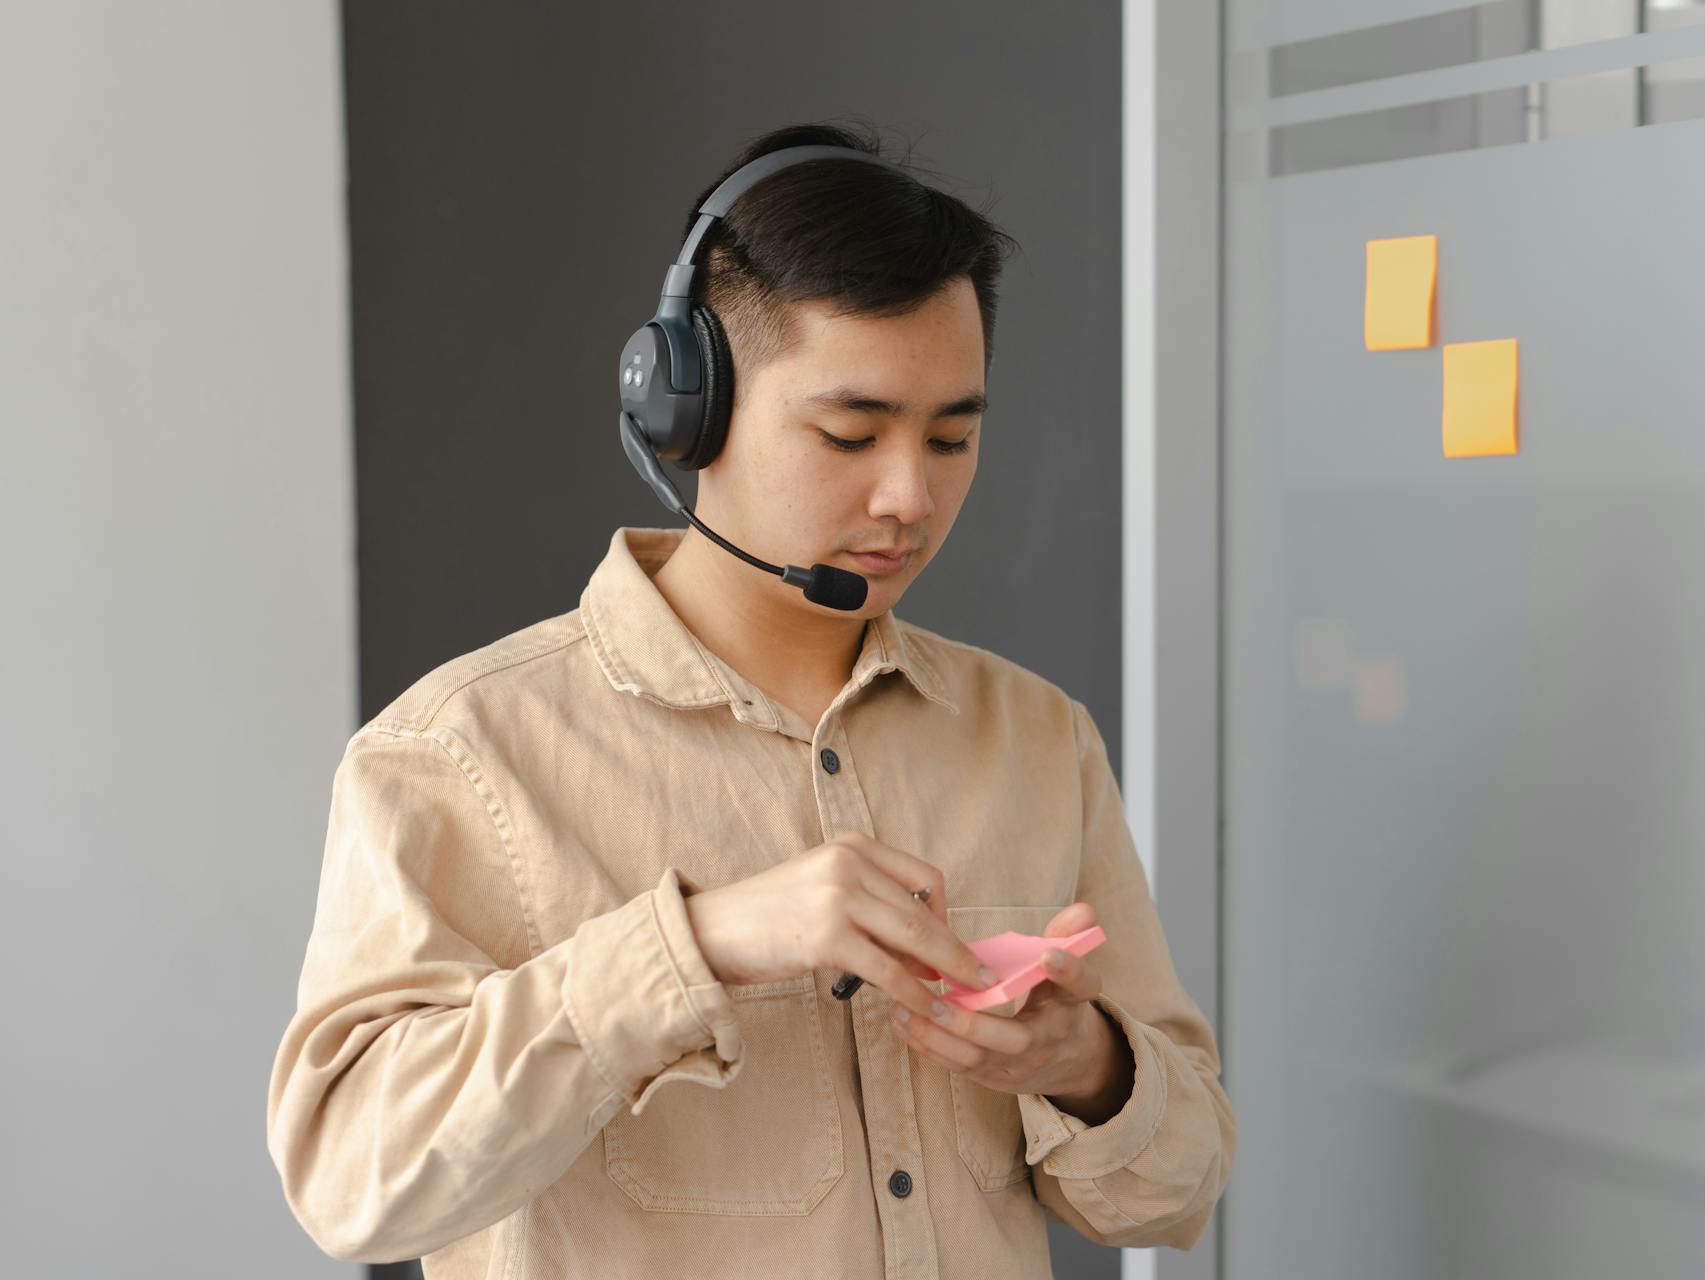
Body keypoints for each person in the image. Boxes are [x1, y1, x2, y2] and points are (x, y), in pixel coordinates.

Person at [265, 120, 1234, 1279]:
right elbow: (351, 1183)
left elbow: (1178, 1191)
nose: (907, 494)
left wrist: (1085, 1061)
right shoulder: (460, 751)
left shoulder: (1036, 737)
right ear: (691, 407)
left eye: (953, 435)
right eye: (849, 431)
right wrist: (699, 942)